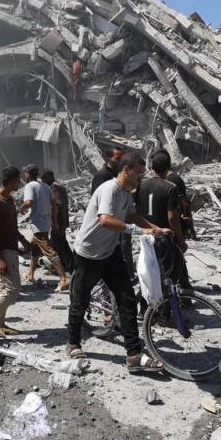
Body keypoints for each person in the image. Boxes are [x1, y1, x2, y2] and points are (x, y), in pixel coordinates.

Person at [67, 151, 168, 373]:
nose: (141, 178)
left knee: (127, 299)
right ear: (126, 170)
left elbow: (132, 216)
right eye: (138, 174)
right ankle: (73, 343)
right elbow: (105, 220)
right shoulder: (110, 189)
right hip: (88, 254)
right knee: (80, 301)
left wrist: (155, 228)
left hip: (110, 252)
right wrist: (137, 230)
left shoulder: (126, 193)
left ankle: (133, 354)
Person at [0, 166, 32, 338]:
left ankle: (0, 323)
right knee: (13, 288)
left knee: (5, 287)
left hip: (10, 248)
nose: (20, 183)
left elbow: (11, 224)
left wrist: (23, 240)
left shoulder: (8, 199)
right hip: (2, 251)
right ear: (11, 181)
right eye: (18, 180)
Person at [135, 150, 190, 289]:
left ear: (152, 167)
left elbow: (134, 211)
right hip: (164, 237)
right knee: (169, 274)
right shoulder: (170, 188)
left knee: (150, 272)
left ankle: (148, 302)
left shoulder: (140, 185)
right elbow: (172, 217)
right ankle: (169, 300)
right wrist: (181, 240)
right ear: (168, 167)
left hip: (146, 235)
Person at [20, 165, 69, 291]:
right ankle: (30, 274)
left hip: (38, 223)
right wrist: (54, 222)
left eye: (25, 172)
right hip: (45, 222)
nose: (24, 175)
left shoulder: (30, 186)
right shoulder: (45, 186)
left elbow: (28, 202)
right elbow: (54, 205)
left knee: (49, 251)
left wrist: (19, 209)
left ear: (28, 173)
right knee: (35, 249)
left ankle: (63, 279)